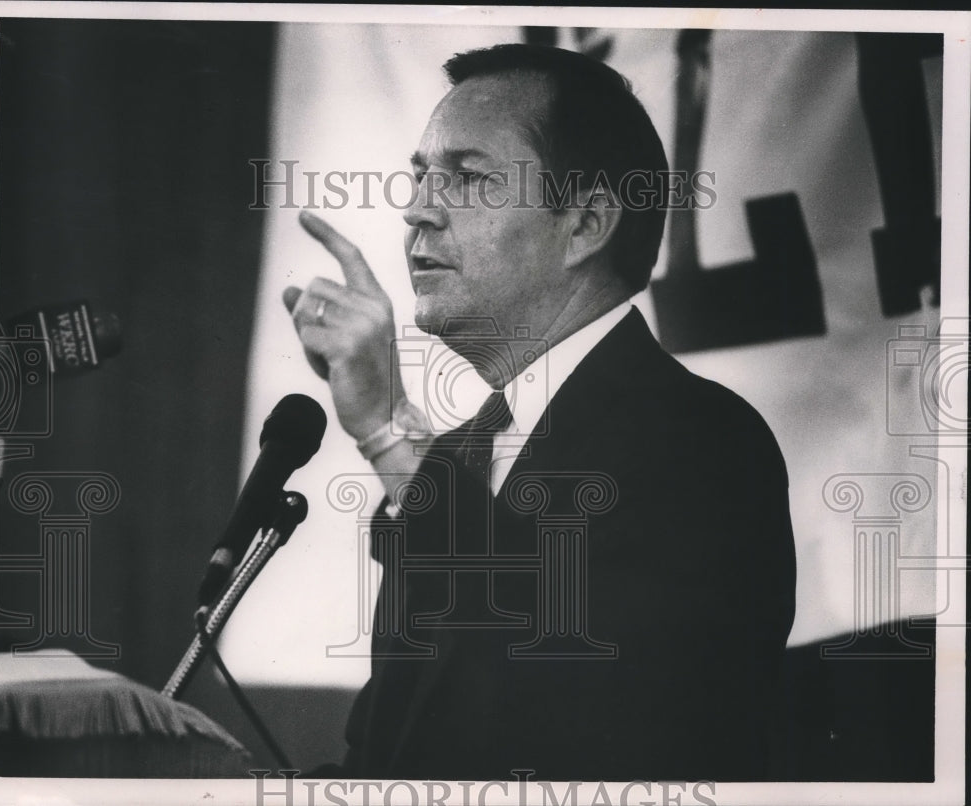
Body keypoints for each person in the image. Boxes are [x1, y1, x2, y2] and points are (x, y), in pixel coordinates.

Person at [283, 44, 796, 782]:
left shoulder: (705, 441)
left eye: (468, 178)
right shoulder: (454, 457)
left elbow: (573, 704)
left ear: (585, 225)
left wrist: (389, 424)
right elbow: (394, 753)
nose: (418, 208)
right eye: (422, 175)